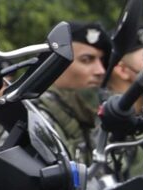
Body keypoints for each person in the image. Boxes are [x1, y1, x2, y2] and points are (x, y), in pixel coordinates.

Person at [35, 20, 110, 160]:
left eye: (101, 61)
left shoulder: (82, 117)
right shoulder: (36, 119)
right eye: (86, 60)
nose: (101, 71)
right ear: (56, 64)